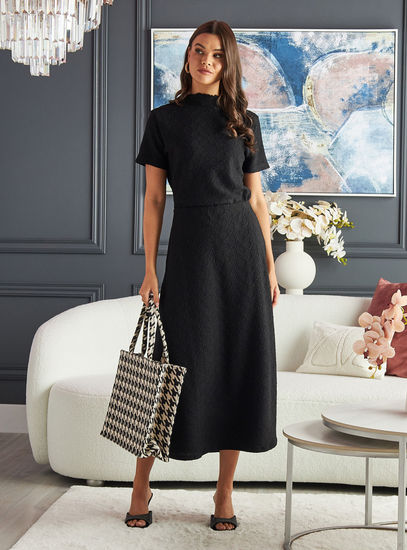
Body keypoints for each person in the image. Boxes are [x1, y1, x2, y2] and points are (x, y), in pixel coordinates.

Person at [127, 19, 280, 531]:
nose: (206, 60)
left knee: (237, 364)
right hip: (191, 253)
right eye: (198, 50)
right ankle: (141, 485)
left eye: (216, 54)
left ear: (227, 61)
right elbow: (154, 199)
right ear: (188, 57)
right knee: (169, 366)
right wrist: (149, 269)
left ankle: (223, 493)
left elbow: (257, 200)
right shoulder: (163, 120)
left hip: (242, 255)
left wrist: (269, 266)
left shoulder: (245, 120)